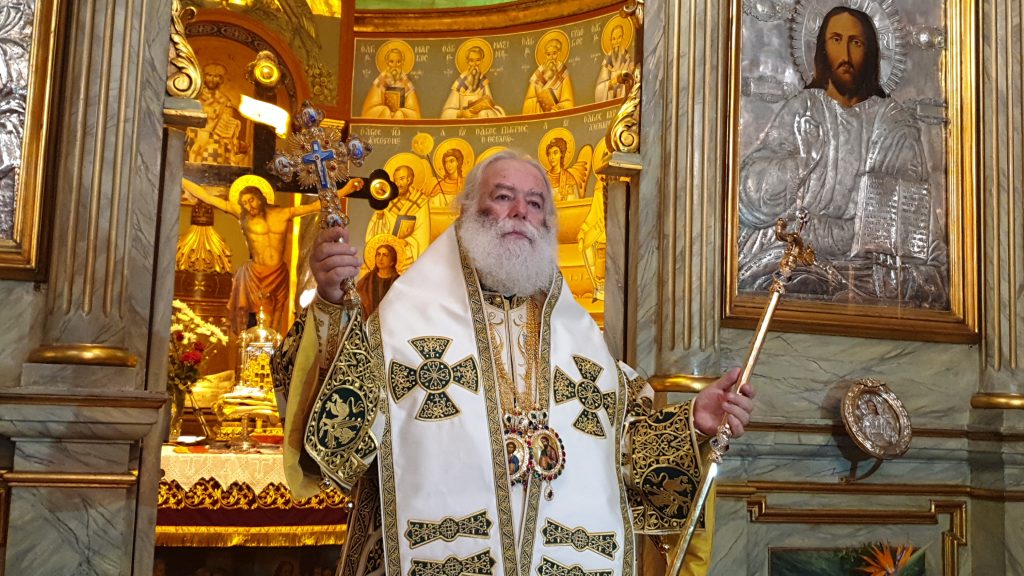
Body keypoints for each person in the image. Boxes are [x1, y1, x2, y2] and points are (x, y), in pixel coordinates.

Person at [273, 150, 757, 573]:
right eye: (503, 197)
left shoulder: (579, 339)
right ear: (467, 210)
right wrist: (331, 307)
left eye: (536, 203)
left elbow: (624, 454)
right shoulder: (404, 323)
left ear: (548, 224)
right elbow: (334, 445)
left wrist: (692, 423)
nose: (521, 212)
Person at [737, 6, 946, 307]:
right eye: (836, 40)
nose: (845, 54)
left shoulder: (894, 125)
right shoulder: (804, 109)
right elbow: (750, 200)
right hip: (799, 254)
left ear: (871, 52)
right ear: (822, 49)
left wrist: (827, 231)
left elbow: (902, 226)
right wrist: (802, 164)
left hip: (864, 269)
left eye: (856, 43)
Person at [182, 177, 363, 336]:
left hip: (278, 274)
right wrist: (180, 178)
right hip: (255, 275)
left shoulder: (283, 214)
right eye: (244, 203)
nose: (249, 206)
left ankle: (270, 357)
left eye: (251, 200)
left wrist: (346, 189)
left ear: (261, 197)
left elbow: (316, 205)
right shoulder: (242, 215)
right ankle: (253, 354)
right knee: (258, 319)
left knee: (275, 321)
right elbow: (207, 197)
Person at [188, 62, 250, 166]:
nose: (212, 79)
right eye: (209, 75)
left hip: (215, 140)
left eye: (216, 76)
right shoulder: (195, 97)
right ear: (204, 77)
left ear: (221, 79)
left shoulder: (224, 101)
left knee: (216, 154)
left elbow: (226, 126)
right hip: (194, 136)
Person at [364, 163, 429, 262]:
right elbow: (373, 235)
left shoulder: (420, 201)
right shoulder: (386, 200)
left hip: (409, 255)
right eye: (395, 180)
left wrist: (406, 242)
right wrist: (380, 217)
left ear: (409, 180)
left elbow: (422, 235)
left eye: (402, 179)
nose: (398, 184)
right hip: (386, 256)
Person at [441, 41, 505, 119]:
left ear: (481, 61)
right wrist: (462, 113)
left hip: (480, 121)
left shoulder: (483, 81)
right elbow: (446, 114)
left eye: (477, 60)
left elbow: (490, 105)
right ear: (467, 62)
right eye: (471, 61)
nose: (475, 64)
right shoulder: (460, 83)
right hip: (464, 122)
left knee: (484, 113)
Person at [361, 43, 421, 119]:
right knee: (385, 111)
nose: (395, 65)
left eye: (398, 62)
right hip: (384, 116)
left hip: (400, 117)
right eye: (391, 62)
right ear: (387, 62)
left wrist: (399, 113)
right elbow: (371, 107)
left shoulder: (406, 82)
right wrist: (386, 111)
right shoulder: (381, 80)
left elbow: (414, 111)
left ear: (402, 63)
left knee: (399, 114)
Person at [523, 36, 575, 114]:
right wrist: (545, 78)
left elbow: (568, 102)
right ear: (545, 55)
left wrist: (558, 108)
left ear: (559, 53)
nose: (551, 58)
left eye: (554, 53)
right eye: (548, 54)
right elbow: (529, 100)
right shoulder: (539, 73)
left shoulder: (563, 73)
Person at [355, 243, 400, 318]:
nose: (380, 258)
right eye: (378, 254)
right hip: (368, 320)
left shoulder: (398, 282)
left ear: (392, 261)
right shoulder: (367, 280)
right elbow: (358, 299)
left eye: (385, 255)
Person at [595, 22, 634, 102]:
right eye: (614, 39)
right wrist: (611, 83)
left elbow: (632, 81)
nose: (616, 42)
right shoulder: (607, 61)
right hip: (610, 97)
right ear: (611, 41)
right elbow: (599, 88)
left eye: (619, 37)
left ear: (623, 38)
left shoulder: (627, 59)